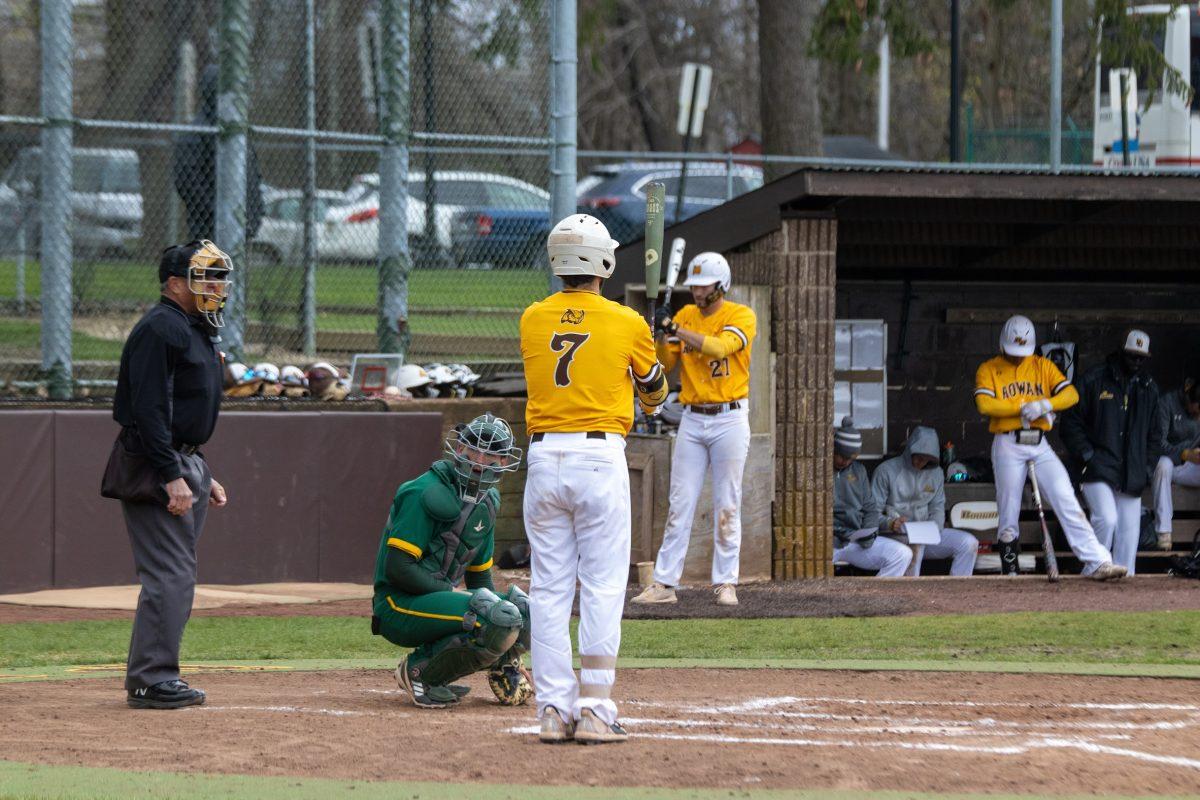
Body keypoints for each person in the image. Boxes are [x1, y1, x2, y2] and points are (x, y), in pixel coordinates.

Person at [519, 213, 666, 745]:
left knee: (550, 589)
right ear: (603, 260)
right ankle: (597, 709)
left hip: (543, 460)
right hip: (599, 457)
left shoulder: (532, 317)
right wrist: (651, 352)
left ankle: (554, 711)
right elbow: (654, 393)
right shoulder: (629, 322)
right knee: (602, 586)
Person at [107, 240, 232, 709]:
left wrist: (201, 468)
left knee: (176, 573)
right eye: (206, 277)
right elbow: (150, 408)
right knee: (171, 575)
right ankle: (151, 680)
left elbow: (184, 411)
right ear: (176, 283)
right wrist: (170, 472)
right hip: (157, 463)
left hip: (183, 461)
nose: (217, 286)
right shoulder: (162, 327)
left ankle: (152, 675)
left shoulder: (193, 328)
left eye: (220, 277)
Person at [375, 413, 532, 709]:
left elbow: (480, 579)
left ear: (503, 462)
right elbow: (397, 569)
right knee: (495, 614)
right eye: (475, 448)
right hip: (397, 605)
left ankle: (505, 666)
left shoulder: (487, 500)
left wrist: (506, 647)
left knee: (525, 611)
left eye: (492, 454)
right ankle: (420, 672)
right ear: (459, 449)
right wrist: (456, 596)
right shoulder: (425, 492)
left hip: (435, 602)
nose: (481, 459)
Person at [631, 252, 757, 607]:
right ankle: (664, 584)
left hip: (730, 417)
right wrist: (657, 334)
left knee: (727, 503)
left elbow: (719, 347)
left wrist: (675, 329)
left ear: (722, 286)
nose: (699, 293)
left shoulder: (740, 315)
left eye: (706, 287)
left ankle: (726, 583)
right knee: (679, 502)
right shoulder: (685, 315)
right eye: (696, 287)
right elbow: (667, 362)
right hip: (692, 416)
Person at [974, 314, 1125, 580]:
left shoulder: (1042, 366)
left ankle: (1097, 561)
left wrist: (1045, 405)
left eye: (1023, 351)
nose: (1019, 357)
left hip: (1039, 443)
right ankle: (1010, 570)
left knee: (1065, 496)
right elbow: (985, 405)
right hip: (1008, 443)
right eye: (1014, 351)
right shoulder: (988, 368)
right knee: (1008, 508)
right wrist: (1021, 409)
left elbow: (1071, 394)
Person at [1061, 331, 1164, 575]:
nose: (1136, 362)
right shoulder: (1094, 379)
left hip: (1132, 471)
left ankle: (1121, 598)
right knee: (1106, 519)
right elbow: (1070, 423)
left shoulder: (1149, 387)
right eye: (1132, 356)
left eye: (1141, 358)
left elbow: (1156, 435)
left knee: (1129, 534)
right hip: (1098, 467)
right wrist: (1087, 455)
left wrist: (1147, 468)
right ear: (1121, 351)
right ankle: (1092, 570)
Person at [870, 426, 978, 576]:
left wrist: (933, 528)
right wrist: (889, 523)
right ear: (910, 451)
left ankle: (959, 592)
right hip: (895, 534)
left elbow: (938, 507)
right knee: (916, 544)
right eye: (919, 457)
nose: (922, 463)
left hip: (927, 533)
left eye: (928, 460)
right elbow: (872, 512)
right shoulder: (886, 471)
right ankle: (912, 593)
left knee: (968, 543)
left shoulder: (936, 473)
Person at [173, 64, 263, 243]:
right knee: (211, 271)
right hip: (208, 232)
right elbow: (187, 182)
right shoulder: (198, 133)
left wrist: (256, 212)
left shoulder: (238, 133)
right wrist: (220, 213)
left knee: (235, 270)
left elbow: (254, 175)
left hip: (242, 231)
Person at [831, 417, 913, 576]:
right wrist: (838, 532)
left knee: (902, 554)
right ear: (833, 450)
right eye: (842, 456)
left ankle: (879, 597)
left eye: (851, 459)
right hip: (828, 542)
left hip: (855, 541)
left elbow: (870, 508)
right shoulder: (819, 469)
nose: (846, 462)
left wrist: (869, 533)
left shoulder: (859, 471)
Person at [1152, 380, 1200, 550]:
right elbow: (1158, 445)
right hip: (1169, 464)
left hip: (1191, 467)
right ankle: (1164, 531)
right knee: (1162, 464)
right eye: (1197, 409)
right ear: (1189, 398)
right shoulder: (1167, 403)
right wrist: (1185, 453)